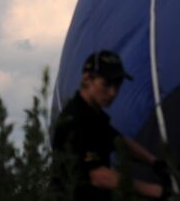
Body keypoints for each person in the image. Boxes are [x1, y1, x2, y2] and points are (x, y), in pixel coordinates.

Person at [51, 50, 171, 200]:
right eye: (106, 84)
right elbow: (98, 176)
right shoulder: (75, 120)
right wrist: (155, 191)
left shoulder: (94, 115)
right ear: (87, 79)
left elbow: (119, 141)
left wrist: (155, 162)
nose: (113, 93)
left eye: (117, 85)